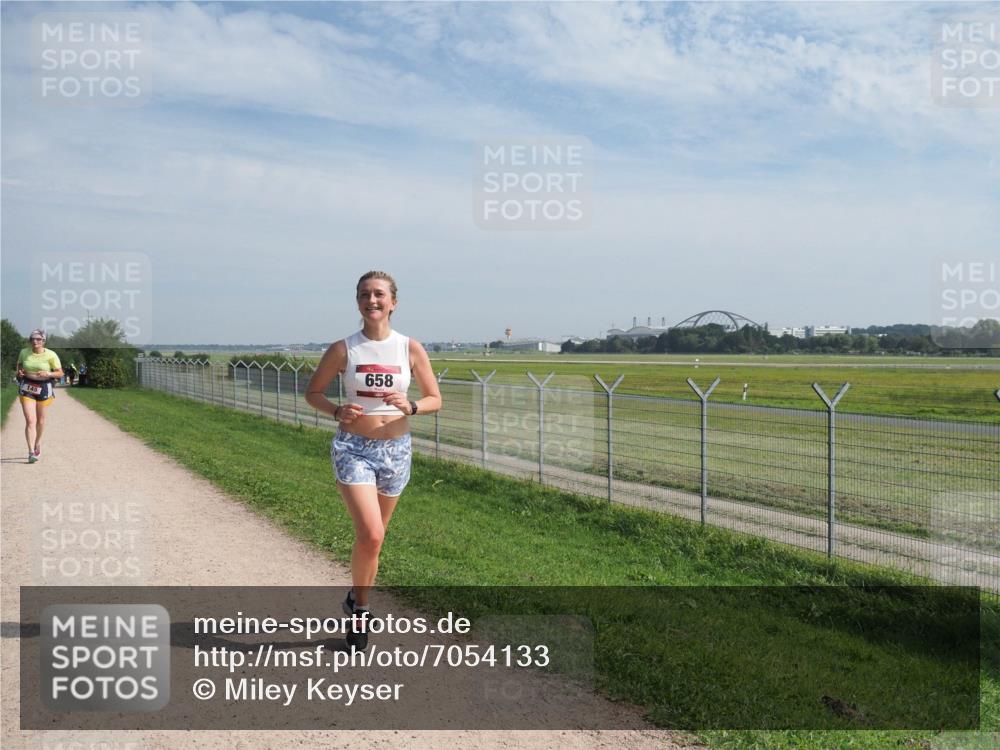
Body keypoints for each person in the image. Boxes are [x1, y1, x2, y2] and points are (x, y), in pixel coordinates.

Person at [305, 271, 442, 651]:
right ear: (358, 302)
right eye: (365, 295)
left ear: (393, 302)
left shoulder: (409, 348)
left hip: (396, 451)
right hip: (354, 447)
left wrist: (411, 405)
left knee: (373, 542)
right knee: (372, 533)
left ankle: (356, 599)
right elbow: (313, 393)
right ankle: (362, 610)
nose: (372, 300)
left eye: (379, 294)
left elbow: (434, 398)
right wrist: (335, 412)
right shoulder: (343, 349)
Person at [16, 329, 63, 464]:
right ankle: (31, 452)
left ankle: (37, 443)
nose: (35, 341)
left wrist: (48, 374)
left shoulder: (51, 355)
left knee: (40, 421)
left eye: (38, 339)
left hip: (43, 387)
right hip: (27, 387)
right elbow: (18, 368)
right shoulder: (24, 352)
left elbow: (60, 373)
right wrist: (19, 373)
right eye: (32, 339)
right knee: (30, 420)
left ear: (43, 341)